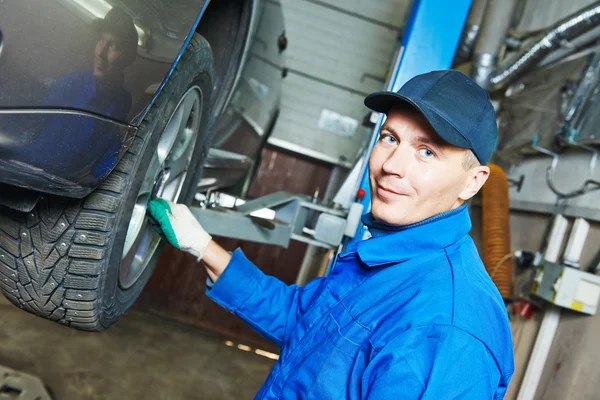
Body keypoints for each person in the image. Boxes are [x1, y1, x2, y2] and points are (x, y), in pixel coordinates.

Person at [149, 70, 515, 399]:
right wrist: (202, 245)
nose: (391, 166)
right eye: (390, 138)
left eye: (427, 152)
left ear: (473, 181)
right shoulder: (389, 255)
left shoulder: (451, 331)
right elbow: (302, 319)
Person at [23, 7, 138, 180]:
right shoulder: (72, 82)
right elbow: (30, 122)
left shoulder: (122, 103)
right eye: (100, 40)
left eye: (113, 45)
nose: (101, 53)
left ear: (127, 57)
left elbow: (110, 150)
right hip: (31, 167)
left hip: (66, 182)